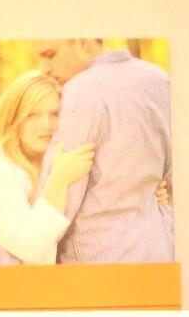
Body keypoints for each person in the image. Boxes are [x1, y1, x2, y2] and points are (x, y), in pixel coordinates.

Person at [35, 38, 175, 263]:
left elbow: (58, 207)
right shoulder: (159, 80)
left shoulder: (79, 91)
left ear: (84, 42)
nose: (44, 68)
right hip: (160, 251)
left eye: (50, 54)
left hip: (96, 264)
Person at [0, 70, 91, 265]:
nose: (46, 125)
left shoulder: (59, 157)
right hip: (5, 289)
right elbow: (31, 248)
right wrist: (58, 180)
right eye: (32, 115)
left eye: (55, 114)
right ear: (13, 117)